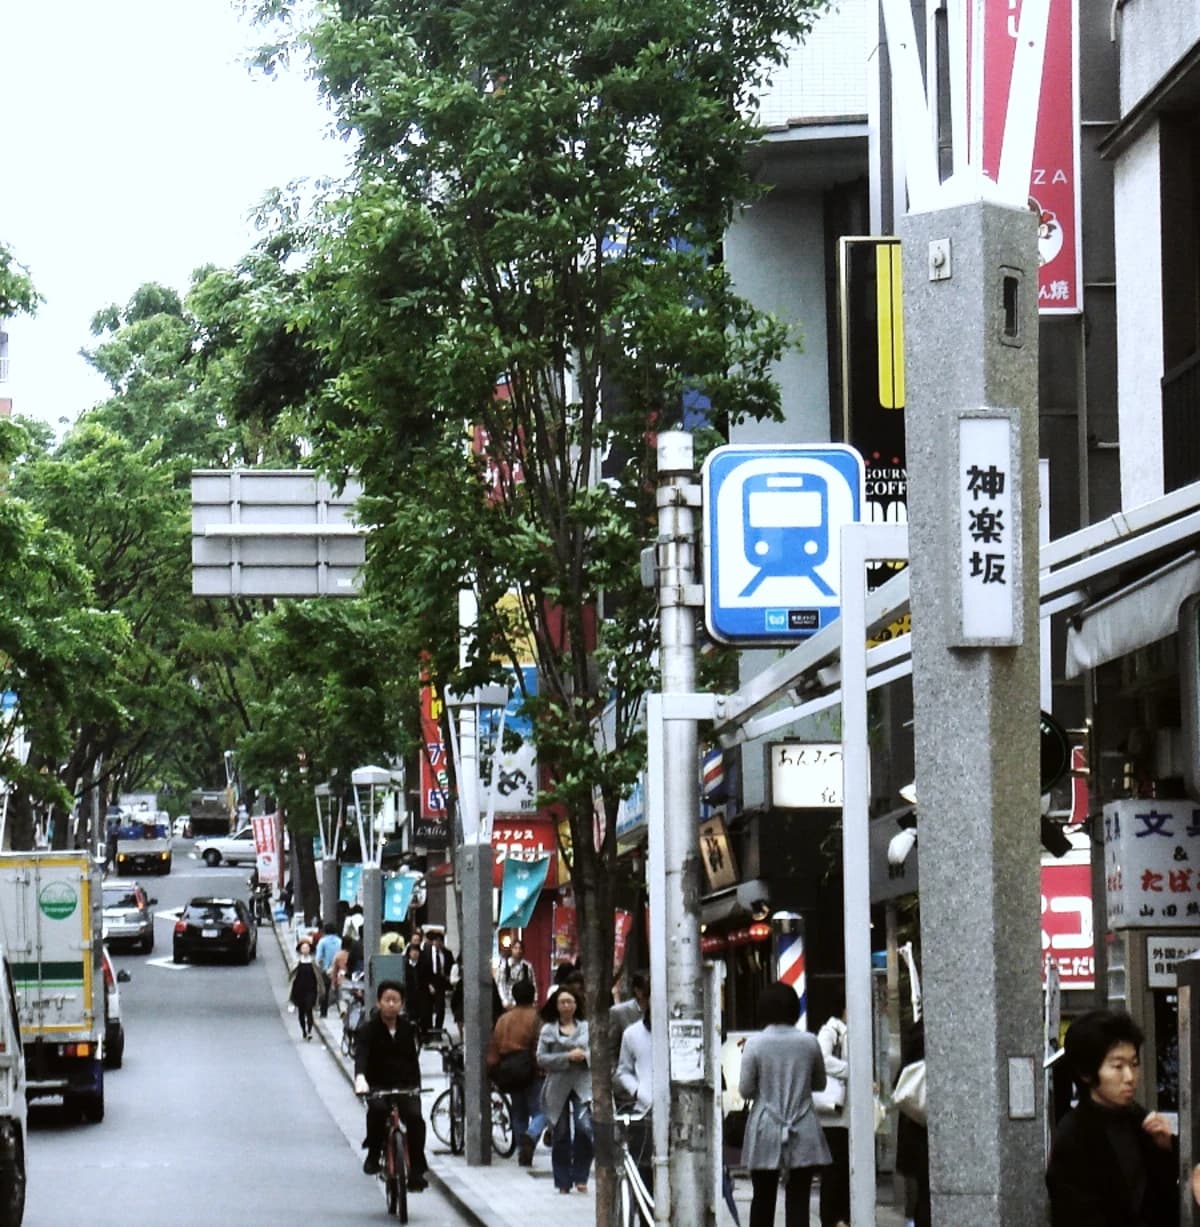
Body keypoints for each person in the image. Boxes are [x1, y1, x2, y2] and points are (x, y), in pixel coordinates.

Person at [1045, 1008, 1177, 1226]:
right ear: (1086, 1073)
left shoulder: (1143, 1122)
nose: (1130, 1077)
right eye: (1117, 1066)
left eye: (1134, 1064)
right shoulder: (1073, 1135)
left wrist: (1168, 1147)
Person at [738, 982, 831, 1227]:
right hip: (803, 1126)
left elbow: (745, 1089)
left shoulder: (755, 1044)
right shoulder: (810, 1042)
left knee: (763, 1198)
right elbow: (820, 1083)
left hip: (765, 1127)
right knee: (799, 1199)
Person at [353, 979, 429, 1190]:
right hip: (378, 1085)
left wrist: (416, 1087)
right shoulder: (368, 1030)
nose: (391, 1004)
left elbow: (413, 1061)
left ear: (402, 1004)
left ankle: (416, 1170)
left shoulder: (407, 1029)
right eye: (387, 1000)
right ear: (379, 1002)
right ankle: (373, 1155)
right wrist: (361, 1077)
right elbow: (361, 1055)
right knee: (377, 1112)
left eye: (395, 1000)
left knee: (415, 1119)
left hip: (405, 1085)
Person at [537, 984, 593, 1194]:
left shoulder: (586, 1027)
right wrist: (566, 1057)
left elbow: (595, 1052)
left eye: (570, 1001)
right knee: (560, 1133)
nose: (566, 1005)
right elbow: (541, 1058)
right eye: (562, 1002)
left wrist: (584, 1057)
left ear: (576, 1005)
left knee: (584, 1128)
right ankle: (562, 1180)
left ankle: (581, 1175)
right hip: (557, 1086)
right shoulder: (548, 1030)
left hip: (582, 1083)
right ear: (556, 1005)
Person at [486, 978, 543, 1165]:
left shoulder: (503, 1019)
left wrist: (492, 1070)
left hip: (508, 1068)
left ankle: (522, 1151)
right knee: (541, 1111)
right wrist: (541, 1068)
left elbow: (494, 1045)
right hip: (530, 1067)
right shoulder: (537, 1017)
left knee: (518, 1112)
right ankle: (531, 1135)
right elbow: (537, 1045)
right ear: (533, 995)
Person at [614, 1001, 653, 1222]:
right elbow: (624, 1070)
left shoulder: (677, 1032)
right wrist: (638, 1091)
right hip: (644, 1112)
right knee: (644, 1174)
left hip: (680, 1112)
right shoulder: (632, 1034)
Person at [814, 1004, 849, 1227]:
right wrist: (853, 1069)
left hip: (845, 1116)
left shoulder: (849, 1032)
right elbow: (822, 1059)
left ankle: (842, 1218)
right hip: (833, 1115)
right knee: (834, 1171)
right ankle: (832, 1219)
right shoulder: (831, 1030)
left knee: (843, 1170)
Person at [894, 1019, 929, 1227]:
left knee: (923, 1193)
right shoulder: (932, 1034)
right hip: (926, 1129)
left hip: (914, 1125)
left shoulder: (915, 1033)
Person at [609, 970, 650, 1086]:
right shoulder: (619, 1013)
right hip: (629, 1080)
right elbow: (611, 1048)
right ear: (638, 991)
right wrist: (617, 1075)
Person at [288, 938, 327, 1041]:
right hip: (299, 990)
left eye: (307, 947)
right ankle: (304, 1031)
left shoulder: (314, 963)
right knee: (301, 1012)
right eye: (303, 947)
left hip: (311, 990)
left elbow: (319, 977)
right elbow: (291, 976)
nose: (305, 949)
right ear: (300, 949)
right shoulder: (297, 962)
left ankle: (309, 1030)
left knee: (309, 1009)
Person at [419, 930, 455, 1034]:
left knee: (440, 1008)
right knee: (428, 1009)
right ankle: (428, 1031)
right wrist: (428, 984)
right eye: (436, 941)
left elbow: (451, 967)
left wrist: (448, 977)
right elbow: (423, 969)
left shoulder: (447, 953)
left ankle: (438, 1030)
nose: (438, 943)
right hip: (429, 981)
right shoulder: (426, 952)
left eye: (440, 941)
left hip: (441, 982)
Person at [495, 938, 538, 1010]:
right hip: (508, 1003)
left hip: (523, 1003)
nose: (518, 951)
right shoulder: (504, 966)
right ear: (511, 949)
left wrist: (534, 1000)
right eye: (515, 948)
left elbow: (533, 984)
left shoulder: (527, 966)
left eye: (520, 948)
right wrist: (505, 1001)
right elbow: (500, 985)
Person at [315, 923, 342, 1018]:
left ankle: (323, 1012)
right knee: (339, 991)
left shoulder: (323, 941)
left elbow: (318, 958)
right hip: (338, 970)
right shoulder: (340, 941)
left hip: (326, 970)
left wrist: (318, 968)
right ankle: (341, 1011)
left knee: (324, 991)